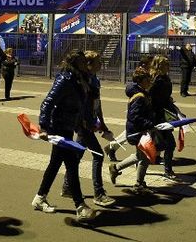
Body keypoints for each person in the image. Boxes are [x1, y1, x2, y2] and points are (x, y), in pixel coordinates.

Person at [31, 50, 96, 220]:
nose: (86, 64)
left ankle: (39, 198)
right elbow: (47, 103)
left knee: (55, 164)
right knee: (72, 164)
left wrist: (87, 122)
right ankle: (80, 206)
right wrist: (43, 127)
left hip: (68, 126)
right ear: (75, 63)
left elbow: (80, 105)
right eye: (82, 61)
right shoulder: (65, 79)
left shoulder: (79, 79)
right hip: (58, 127)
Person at [62, 50, 116, 207]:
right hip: (83, 124)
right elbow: (81, 103)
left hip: (88, 122)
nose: (101, 64)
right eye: (98, 62)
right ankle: (98, 193)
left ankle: (67, 187)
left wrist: (102, 123)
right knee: (98, 155)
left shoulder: (94, 79)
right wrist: (86, 121)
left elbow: (96, 104)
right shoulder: (83, 80)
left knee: (77, 156)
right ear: (88, 64)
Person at [108, 67, 156, 194]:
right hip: (138, 131)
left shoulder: (142, 93)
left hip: (139, 130)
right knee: (144, 157)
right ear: (141, 81)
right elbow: (134, 116)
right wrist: (149, 124)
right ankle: (139, 184)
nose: (150, 81)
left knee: (140, 156)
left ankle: (116, 168)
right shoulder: (139, 96)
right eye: (147, 79)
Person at [148, 55, 178, 179]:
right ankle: (168, 170)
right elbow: (150, 97)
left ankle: (167, 169)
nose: (168, 66)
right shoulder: (156, 79)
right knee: (169, 144)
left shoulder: (164, 78)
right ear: (159, 66)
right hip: (158, 116)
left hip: (165, 114)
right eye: (166, 64)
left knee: (158, 144)